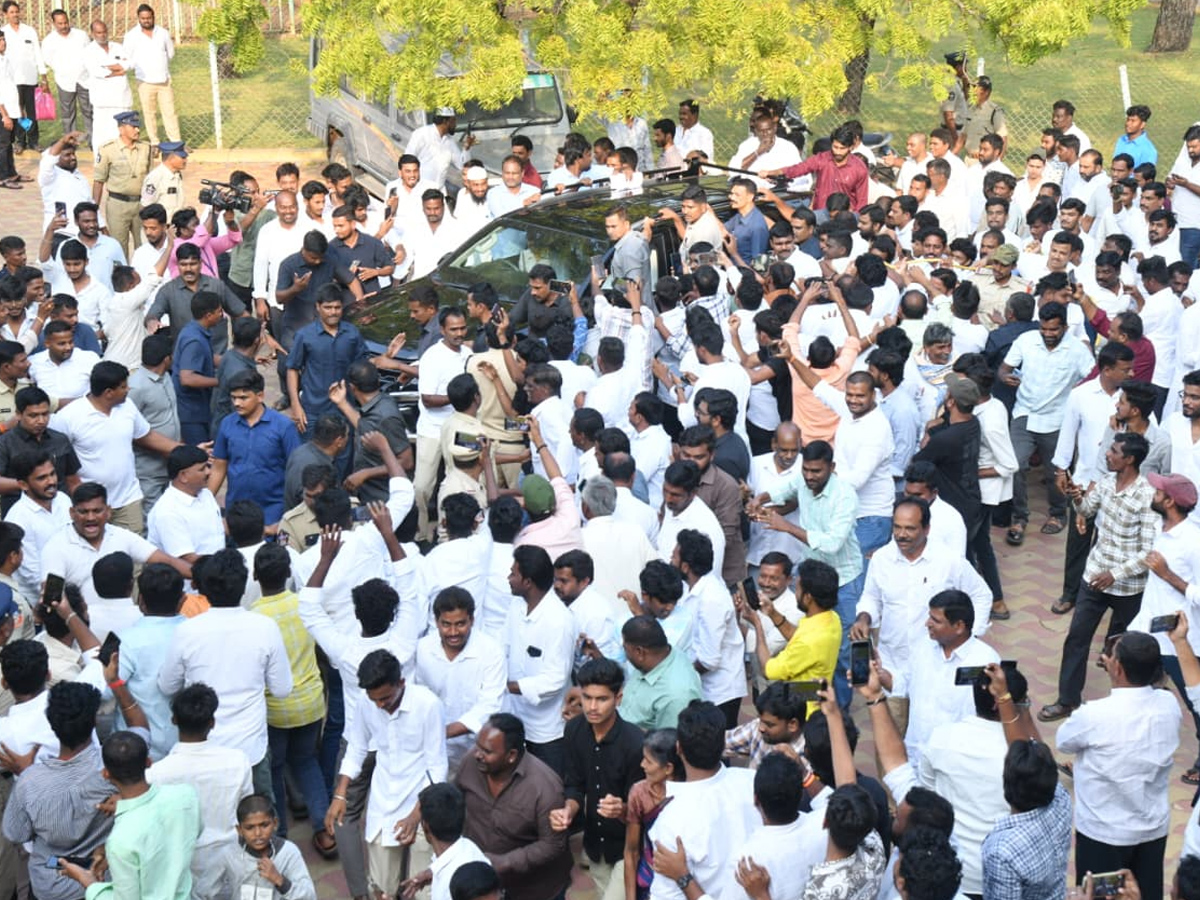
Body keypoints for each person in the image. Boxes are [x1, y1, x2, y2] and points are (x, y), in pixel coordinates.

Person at [1039, 433, 1158, 722]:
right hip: (1094, 578)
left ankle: (1132, 710)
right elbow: (1086, 511)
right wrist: (1076, 497)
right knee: (1076, 638)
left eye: (1114, 451)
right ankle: (1068, 700)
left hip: (1128, 588)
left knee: (1127, 649)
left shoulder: (1146, 496)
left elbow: (1149, 552)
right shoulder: (1105, 483)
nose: (1107, 454)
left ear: (1129, 459)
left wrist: (1114, 574)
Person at [158, 548, 293, 794]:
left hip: (203, 750)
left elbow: (167, 686)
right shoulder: (265, 627)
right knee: (260, 824)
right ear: (243, 587)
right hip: (250, 750)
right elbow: (282, 689)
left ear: (203, 590)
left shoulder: (187, 631)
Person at [1056, 631, 1179, 900]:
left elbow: (1063, 742)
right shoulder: (1169, 704)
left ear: (1118, 668)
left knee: (1099, 896)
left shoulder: (1094, 714)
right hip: (1151, 829)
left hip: (1103, 833)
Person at [324, 647, 446, 900]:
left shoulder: (428, 705)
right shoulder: (366, 703)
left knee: (421, 890)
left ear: (401, 683)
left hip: (422, 803)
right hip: (383, 803)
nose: (380, 705)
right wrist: (340, 793)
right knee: (382, 888)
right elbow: (357, 747)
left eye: (386, 698)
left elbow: (437, 768)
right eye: (375, 699)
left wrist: (416, 815)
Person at [920, 665, 1028, 897]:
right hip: (1007, 873)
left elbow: (928, 794)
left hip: (952, 868)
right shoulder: (1027, 759)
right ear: (1000, 703)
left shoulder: (941, 738)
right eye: (1024, 704)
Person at [0, 680, 113, 900]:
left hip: (51, 877)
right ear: (93, 721)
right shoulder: (114, 770)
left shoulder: (30, 782)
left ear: (52, 725)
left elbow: (16, 833)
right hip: (104, 879)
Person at [56, 731, 201, 899]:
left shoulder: (121, 841)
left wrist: (88, 882)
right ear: (148, 762)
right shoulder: (185, 796)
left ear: (106, 774)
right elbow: (191, 833)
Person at [146, 683, 254, 900]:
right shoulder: (237, 761)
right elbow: (248, 812)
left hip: (185, 867)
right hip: (232, 860)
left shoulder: (156, 774)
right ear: (212, 723)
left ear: (174, 720)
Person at [999, 301, 1095, 544]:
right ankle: (1019, 517)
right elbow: (1004, 368)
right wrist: (1005, 377)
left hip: (1057, 418)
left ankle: (1057, 513)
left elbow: (1093, 379)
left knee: (1057, 471)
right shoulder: (1026, 340)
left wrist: (1077, 394)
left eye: (1054, 330)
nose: (1048, 334)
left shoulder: (1077, 350)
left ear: (1064, 326)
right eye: (1044, 329)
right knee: (1016, 464)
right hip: (1024, 413)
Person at [549, 658, 644, 898]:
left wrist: (622, 808)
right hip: (595, 846)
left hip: (629, 847)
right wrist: (569, 810)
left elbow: (644, 809)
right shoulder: (574, 730)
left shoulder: (635, 743)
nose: (592, 706)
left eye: (602, 699)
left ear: (618, 698)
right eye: (587, 697)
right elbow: (574, 784)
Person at [645, 700, 759, 900]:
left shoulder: (670, 820)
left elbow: (666, 896)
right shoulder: (752, 782)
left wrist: (683, 879)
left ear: (679, 748)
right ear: (723, 745)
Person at [51, 359, 180, 534]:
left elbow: (146, 436)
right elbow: (59, 459)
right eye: (124, 387)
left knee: (134, 556)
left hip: (128, 500)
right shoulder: (68, 417)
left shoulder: (127, 407)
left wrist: (183, 450)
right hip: (91, 506)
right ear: (108, 392)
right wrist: (79, 493)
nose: (128, 389)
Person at [877, 589, 1000, 770]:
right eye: (929, 617)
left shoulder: (986, 661)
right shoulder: (923, 647)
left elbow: (993, 717)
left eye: (936, 620)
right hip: (916, 758)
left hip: (956, 765)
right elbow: (904, 685)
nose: (927, 624)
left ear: (959, 626)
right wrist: (880, 675)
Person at [455, 713, 573, 900]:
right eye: (478, 746)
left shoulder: (544, 786)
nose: (478, 754)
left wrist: (505, 862)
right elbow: (456, 801)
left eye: (487, 751)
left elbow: (553, 844)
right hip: (484, 888)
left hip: (534, 890)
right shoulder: (471, 762)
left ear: (511, 756)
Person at [412, 587, 506, 770]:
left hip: (478, 750)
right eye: (446, 624)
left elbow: (490, 705)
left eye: (460, 624)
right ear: (436, 622)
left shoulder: (491, 651)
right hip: (432, 751)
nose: (453, 632)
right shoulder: (422, 649)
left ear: (472, 620)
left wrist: (443, 731)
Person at [503, 544, 575, 774]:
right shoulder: (516, 606)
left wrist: (511, 687)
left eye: (513, 573)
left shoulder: (559, 620)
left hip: (547, 731)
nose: (508, 577)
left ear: (528, 582)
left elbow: (555, 679)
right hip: (516, 719)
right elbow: (502, 646)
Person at [209, 369, 302, 526]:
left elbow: (295, 469)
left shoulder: (283, 427)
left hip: (274, 510)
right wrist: (206, 500)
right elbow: (219, 467)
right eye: (234, 398)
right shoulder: (227, 424)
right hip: (237, 509)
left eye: (243, 398)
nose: (237, 403)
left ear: (260, 396)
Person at [745, 558, 842, 706]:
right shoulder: (831, 618)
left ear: (808, 597)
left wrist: (757, 624)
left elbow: (768, 670)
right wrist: (772, 613)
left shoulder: (807, 643)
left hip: (802, 710)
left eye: (797, 589)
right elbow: (796, 634)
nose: (795, 593)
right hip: (812, 692)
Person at [214, 793, 318, 900]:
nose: (258, 833)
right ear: (239, 830)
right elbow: (207, 891)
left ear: (275, 823)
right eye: (250, 828)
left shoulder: (289, 852)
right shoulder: (229, 854)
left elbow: (310, 896)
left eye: (264, 825)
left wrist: (280, 880)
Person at [91, 109, 150, 254]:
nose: (137, 129)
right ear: (121, 128)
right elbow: (99, 181)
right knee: (118, 247)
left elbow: (150, 180)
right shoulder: (107, 149)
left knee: (144, 246)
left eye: (138, 126)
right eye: (133, 126)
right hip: (118, 205)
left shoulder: (145, 148)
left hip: (141, 204)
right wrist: (93, 210)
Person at [122, 4, 177, 145]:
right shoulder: (131, 36)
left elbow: (170, 53)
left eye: (149, 18)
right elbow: (126, 58)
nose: (146, 20)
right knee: (149, 114)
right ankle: (155, 143)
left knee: (170, 113)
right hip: (145, 81)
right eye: (143, 18)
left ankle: (176, 142)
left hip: (164, 80)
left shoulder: (163, 33)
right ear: (138, 18)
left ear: (153, 17)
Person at [722, 679, 807, 768]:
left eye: (769, 724)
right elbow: (721, 743)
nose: (761, 728)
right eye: (760, 720)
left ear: (792, 725)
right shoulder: (758, 727)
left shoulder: (808, 754)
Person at [41, 10, 91, 145]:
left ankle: (93, 140)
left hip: (84, 79)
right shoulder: (48, 41)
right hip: (64, 81)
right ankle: (70, 140)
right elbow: (48, 60)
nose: (64, 26)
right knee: (68, 113)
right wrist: (63, 69)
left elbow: (90, 53)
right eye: (60, 23)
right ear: (53, 23)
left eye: (65, 22)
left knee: (88, 110)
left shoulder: (81, 35)